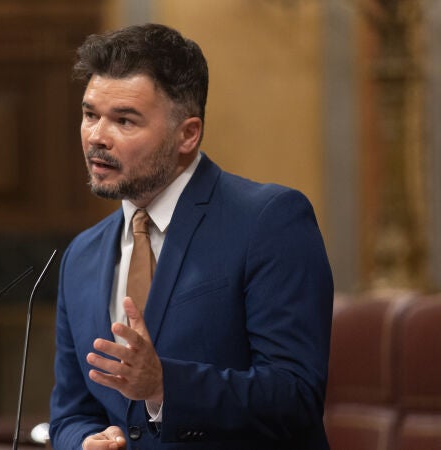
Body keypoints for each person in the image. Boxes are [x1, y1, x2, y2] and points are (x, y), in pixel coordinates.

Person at [49, 23, 334, 449]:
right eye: (90, 115)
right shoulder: (81, 255)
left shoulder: (269, 222)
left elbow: (295, 397)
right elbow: (71, 412)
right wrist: (86, 442)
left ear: (188, 134)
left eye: (124, 120)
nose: (96, 137)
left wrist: (165, 385)